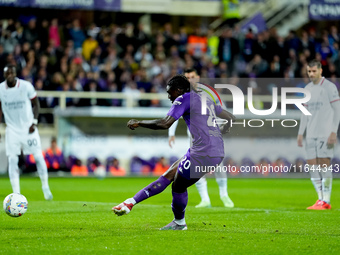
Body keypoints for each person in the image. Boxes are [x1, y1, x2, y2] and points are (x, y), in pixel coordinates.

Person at [113, 74, 235, 230]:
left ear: (178, 90)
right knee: (169, 175)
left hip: (202, 152)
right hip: (215, 152)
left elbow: (165, 123)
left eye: (170, 92)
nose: (169, 97)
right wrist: (223, 129)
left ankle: (179, 223)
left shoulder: (183, 98)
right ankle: (130, 202)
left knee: (177, 186)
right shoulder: (205, 99)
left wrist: (139, 123)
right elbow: (230, 117)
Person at [169, 68, 234, 208]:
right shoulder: (182, 95)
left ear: (197, 77)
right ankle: (205, 199)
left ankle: (224, 195)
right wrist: (171, 133)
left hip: (210, 136)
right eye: (186, 77)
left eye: (191, 76)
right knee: (195, 168)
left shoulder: (208, 93)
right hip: (193, 138)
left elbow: (219, 110)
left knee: (218, 165)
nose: (189, 79)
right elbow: (173, 114)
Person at [0, 65, 53, 200]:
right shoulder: (1, 89)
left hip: (28, 128)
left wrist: (34, 122)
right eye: (7, 73)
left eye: (12, 72)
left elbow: (36, 104)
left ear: (15, 73)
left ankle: (45, 187)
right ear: (5, 75)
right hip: (12, 129)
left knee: (38, 156)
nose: (10, 75)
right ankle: (16, 193)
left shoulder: (25, 86)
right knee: (12, 159)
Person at [297, 60, 340, 210]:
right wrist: (300, 133)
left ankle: (326, 200)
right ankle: (320, 199)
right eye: (309, 71)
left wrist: (334, 131)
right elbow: (304, 113)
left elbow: (337, 110)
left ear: (321, 71)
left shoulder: (329, 87)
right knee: (312, 165)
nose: (311, 74)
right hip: (311, 134)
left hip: (325, 133)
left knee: (323, 164)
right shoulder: (307, 89)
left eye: (314, 71)